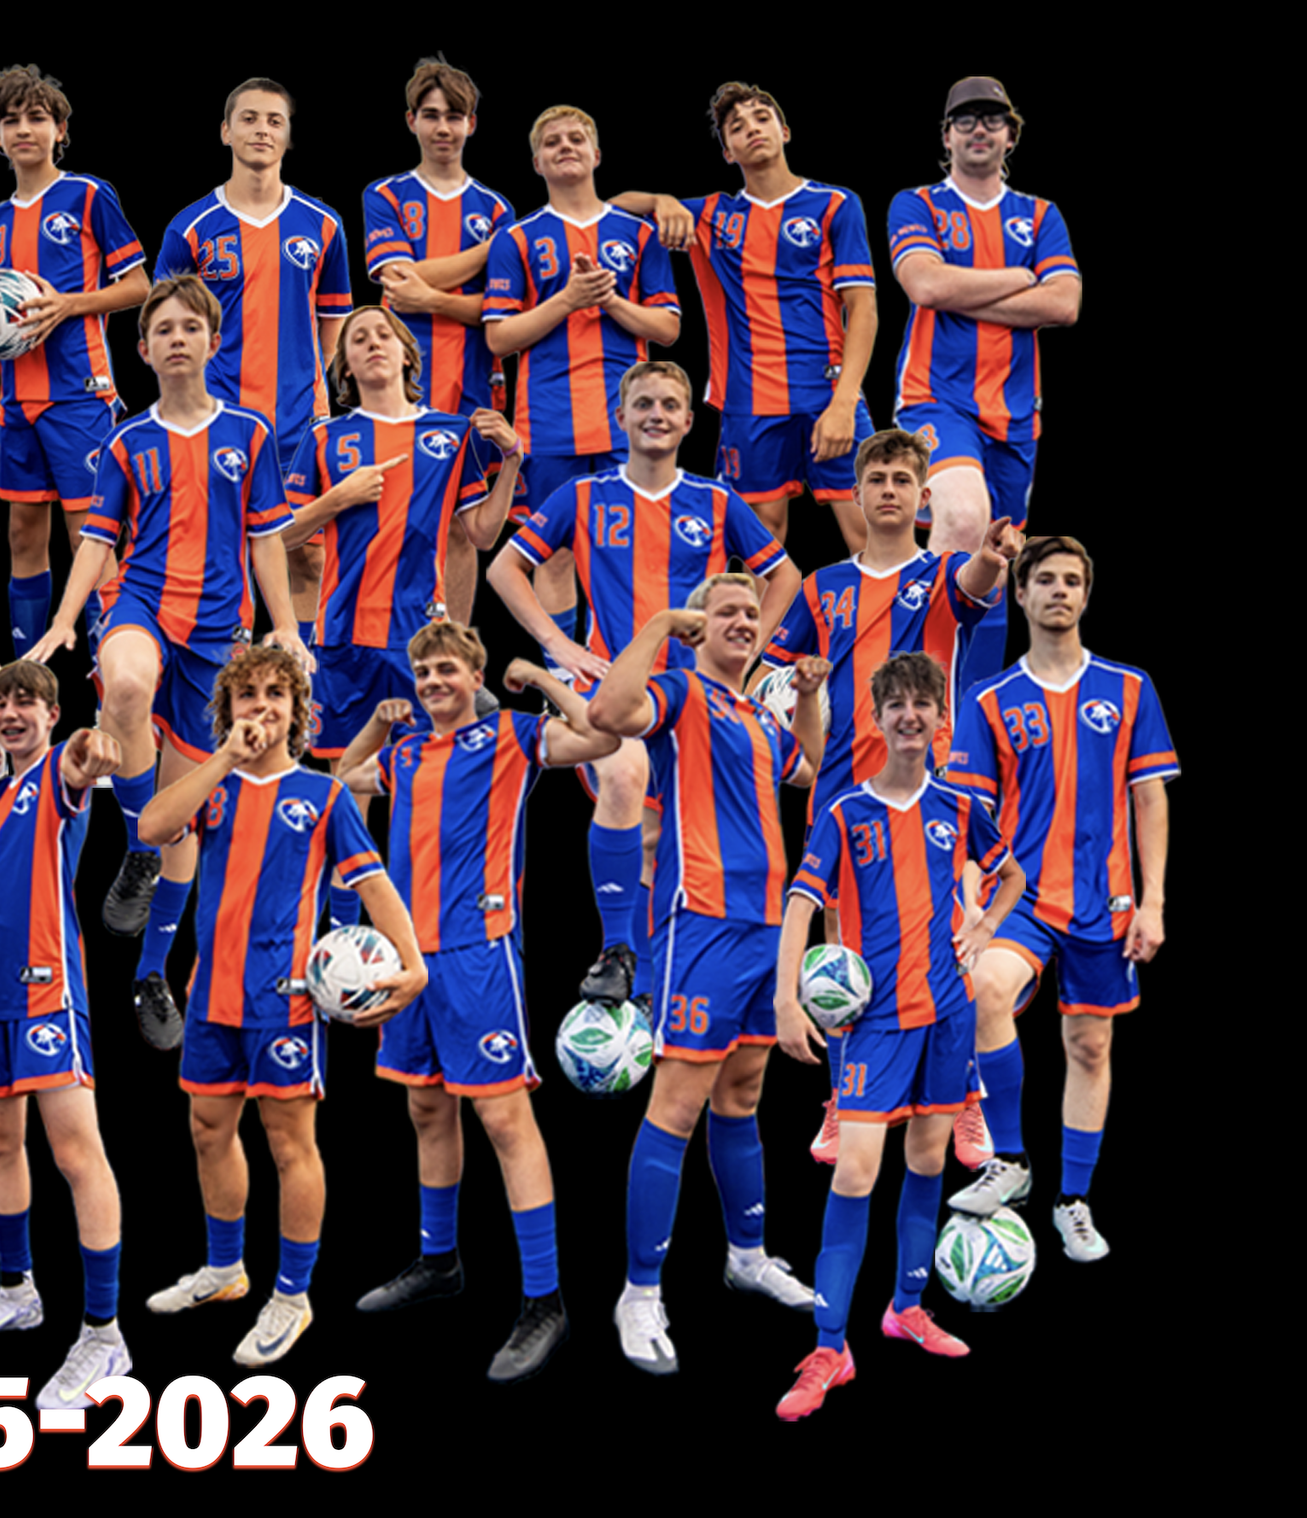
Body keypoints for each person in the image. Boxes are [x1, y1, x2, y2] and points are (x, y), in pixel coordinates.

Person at [20, 276, 307, 1051]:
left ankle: (151, 971)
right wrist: (62, 621)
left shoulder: (249, 433)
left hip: (220, 631)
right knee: (124, 685)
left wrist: (285, 626)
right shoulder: (125, 442)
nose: (178, 338)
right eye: (163, 330)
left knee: (186, 815)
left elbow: (265, 538)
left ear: (214, 341)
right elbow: (96, 541)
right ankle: (136, 847)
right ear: (143, 350)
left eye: (190, 327)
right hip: (142, 603)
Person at [334, 621, 617, 1381]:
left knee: (503, 1119)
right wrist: (376, 722)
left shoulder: (512, 738)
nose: (433, 681)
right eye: (423, 671)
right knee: (426, 1107)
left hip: (479, 952)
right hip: (406, 957)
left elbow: (601, 736)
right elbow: (342, 780)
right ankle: (439, 1261)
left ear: (476, 675)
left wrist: (544, 677)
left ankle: (545, 1300)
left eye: (447, 669)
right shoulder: (403, 755)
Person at [136, 642, 426, 1370]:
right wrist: (223, 759)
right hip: (211, 995)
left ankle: (292, 1296)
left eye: (276, 694)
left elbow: (373, 882)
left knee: (289, 1144)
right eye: (248, 694)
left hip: (285, 1001)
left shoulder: (323, 796)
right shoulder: (215, 787)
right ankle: (225, 1269)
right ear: (228, 709)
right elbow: (152, 827)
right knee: (208, 1130)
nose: (261, 706)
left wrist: (413, 964)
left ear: (298, 711)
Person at [489, 362, 797, 1010]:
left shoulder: (716, 501)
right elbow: (504, 569)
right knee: (625, 774)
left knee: (663, 844)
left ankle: (655, 992)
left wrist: (747, 656)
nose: (656, 414)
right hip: (614, 692)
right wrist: (559, 646)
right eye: (644, 404)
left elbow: (786, 576)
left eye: (670, 404)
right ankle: (617, 949)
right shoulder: (581, 495)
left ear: (688, 421)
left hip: (692, 700)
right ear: (621, 417)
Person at [587, 575, 833, 1374]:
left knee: (743, 1094)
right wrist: (662, 621)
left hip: (767, 927)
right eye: (726, 610)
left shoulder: (758, 714)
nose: (743, 621)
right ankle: (639, 1292)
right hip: (700, 922)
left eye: (752, 613)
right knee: (678, 1105)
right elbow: (607, 714)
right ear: (700, 624)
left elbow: (813, 764)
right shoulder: (681, 693)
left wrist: (806, 697)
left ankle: (747, 1255)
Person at [771, 652, 1024, 1420]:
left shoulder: (960, 807)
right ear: (877, 720)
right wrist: (787, 1000)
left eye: (923, 703)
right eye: (896, 705)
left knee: (926, 1161)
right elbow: (802, 902)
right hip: (874, 1024)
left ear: (941, 720)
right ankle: (829, 1348)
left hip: (947, 1016)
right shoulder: (846, 811)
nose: (910, 715)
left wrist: (983, 926)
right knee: (854, 1173)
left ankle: (907, 1309)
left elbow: (1012, 875)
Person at [761, 428, 1021, 1164]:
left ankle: (963, 1098)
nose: (887, 491)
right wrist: (793, 692)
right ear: (857, 491)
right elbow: (774, 676)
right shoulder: (821, 588)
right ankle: (846, 1099)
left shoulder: (942, 575)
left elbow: (977, 581)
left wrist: (993, 555)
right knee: (842, 954)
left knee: (948, 947)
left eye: (902, 481)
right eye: (875, 479)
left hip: (933, 791)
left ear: (922, 497)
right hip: (843, 791)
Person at [944, 536, 1174, 1261]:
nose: (1059, 591)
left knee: (1090, 1044)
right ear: (1021, 594)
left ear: (1086, 594)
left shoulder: (1129, 687)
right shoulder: (989, 700)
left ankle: (1074, 1200)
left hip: (1106, 902)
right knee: (983, 989)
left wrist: (1154, 903)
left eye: (1072, 581)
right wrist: (971, 907)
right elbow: (970, 819)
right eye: (1045, 579)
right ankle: (1011, 1160)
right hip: (1021, 896)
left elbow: (1150, 799)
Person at [0, 663, 134, 1409]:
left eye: (25, 702)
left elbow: (86, 756)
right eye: (0, 703)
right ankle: (18, 1292)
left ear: (50, 713)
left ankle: (104, 1335)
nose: (10, 713)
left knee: (77, 1154)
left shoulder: (54, 778)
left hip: (46, 992)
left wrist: (91, 749)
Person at [608, 81, 878, 553]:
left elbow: (864, 309)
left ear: (785, 131)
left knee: (870, 532)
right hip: (750, 400)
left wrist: (843, 403)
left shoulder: (836, 203)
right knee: (761, 544)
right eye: (737, 126)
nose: (752, 128)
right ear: (728, 152)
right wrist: (659, 200)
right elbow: (607, 212)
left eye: (762, 117)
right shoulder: (714, 214)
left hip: (829, 393)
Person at [887, 77, 1081, 693]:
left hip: (1016, 415)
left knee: (997, 554)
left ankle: (967, 716)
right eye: (965, 119)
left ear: (1011, 135)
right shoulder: (917, 203)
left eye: (992, 118)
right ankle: (910, 694)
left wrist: (962, 287)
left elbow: (1066, 304)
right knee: (967, 518)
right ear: (946, 136)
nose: (979, 128)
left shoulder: (1041, 215)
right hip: (935, 398)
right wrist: (1021, 279)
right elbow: (925, 286)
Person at [283, 306, 521, 797]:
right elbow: (280, 537)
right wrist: (338, 499)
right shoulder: (325, 437)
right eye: (358, 338)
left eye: (384, 334)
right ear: (345, 366)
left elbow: (481, 534)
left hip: (421, 639)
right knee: (350, 790)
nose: (373, 342)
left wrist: (513, 458)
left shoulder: (452, 434)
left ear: (407, 354)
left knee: (428, 789)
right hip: (343, 636)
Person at [152, 78, 352, 626]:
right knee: (221, 555)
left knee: (308, 555)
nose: (262, 129)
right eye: (249, 118)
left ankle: (306, 674)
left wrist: (312, 387)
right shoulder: (190, 227)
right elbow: (163, 323)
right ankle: (225, 669)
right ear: (225, 131)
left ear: (287, 137)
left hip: (299, 421)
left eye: (274, 121)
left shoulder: (323, 223)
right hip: (219, 418)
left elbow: (333, 321)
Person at [481, 105, 680, 651]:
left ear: (597, 155)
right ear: (536, 163)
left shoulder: (638, 234)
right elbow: (498, 337)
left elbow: (667, 328)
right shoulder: (517, 238)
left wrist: (610, 301)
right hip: (548, 423)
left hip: (630, 423)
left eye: (575, 138)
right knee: (556, 551)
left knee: (635, 546)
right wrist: (567, 300)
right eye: (551, 142)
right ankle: (565, 675)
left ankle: (636, 670)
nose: (564, 146)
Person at [0, 64, 150, 654]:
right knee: (23, 535)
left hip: (79, 394)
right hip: (15, 400)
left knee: (88, 537)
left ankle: (110, 675)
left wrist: (68, 305)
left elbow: (140, 286)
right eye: (10, 120)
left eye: (37, 118)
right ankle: (32, 676)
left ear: (61, 129)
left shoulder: (88, 195)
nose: (24, 129)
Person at [360, 56, 518, 623]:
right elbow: (395, 280)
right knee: (389, 516)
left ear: (472, 124)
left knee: (459, 523)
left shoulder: (495, 207)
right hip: (397, 387)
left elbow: (500, 312)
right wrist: (489, 251)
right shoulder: (385, 194)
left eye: (454, 116)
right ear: (411, 121)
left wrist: (430, 297)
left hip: (472, 383)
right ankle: (390, 643)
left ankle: (457, 651)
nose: (443, 127)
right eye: (431, 115)